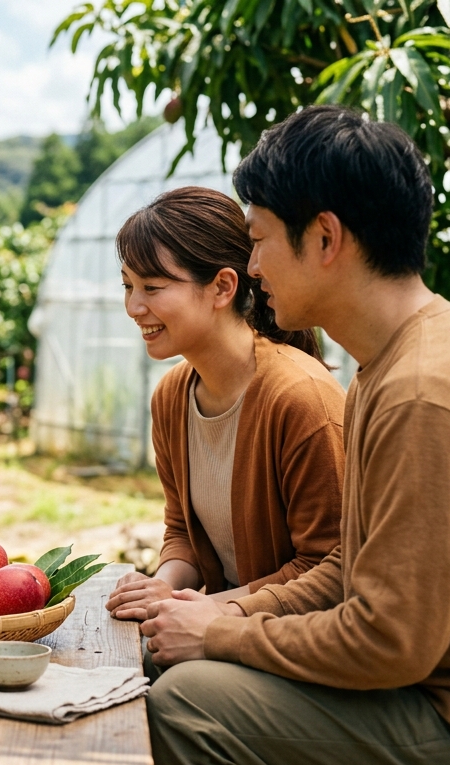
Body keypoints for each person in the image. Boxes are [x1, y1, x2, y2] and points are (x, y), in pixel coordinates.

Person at [140, 106, 450, 765]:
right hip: (412, 685)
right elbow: (347, 570)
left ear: (324, 238)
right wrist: (225, 615)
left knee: (187, 700)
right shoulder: (393, 364)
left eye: (258, 239)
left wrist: (224, 632)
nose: (253, 266)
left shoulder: (425, 390)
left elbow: (391, 640)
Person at [104, 187, 345, 642]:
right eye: (128, 286)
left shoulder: (301, 398)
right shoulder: (172, 397)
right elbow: (181, 531)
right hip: (219, 625)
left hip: (291, 642)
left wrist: (207, 609)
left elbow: (331, 568)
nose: (134, 307)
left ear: (222, 287)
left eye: (152, 287)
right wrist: (164, 585)